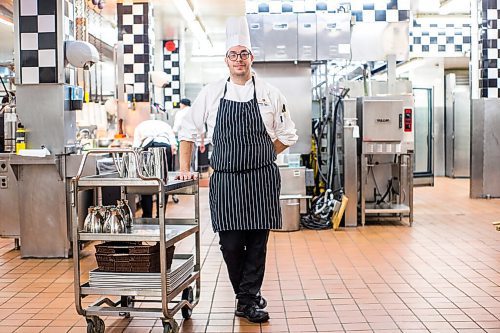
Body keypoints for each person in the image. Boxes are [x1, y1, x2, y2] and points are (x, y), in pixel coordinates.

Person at [177, 16, 298, 323]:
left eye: (244, 54)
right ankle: (248, 297)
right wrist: (183, 169)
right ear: (226, 60)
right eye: (234, 54)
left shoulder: (269, 93)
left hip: (261, 179)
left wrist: (264, 152)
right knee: (231, 244)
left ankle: (248, 301)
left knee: (257, 243)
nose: (239, 59)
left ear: (251, 58)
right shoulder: (212, 93)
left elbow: (288, 134)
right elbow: (188, 131)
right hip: (227, 181)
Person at [133, 119, 177, 217]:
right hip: (165, 148)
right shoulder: (165, 124)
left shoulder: (140, 125)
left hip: (147, 149)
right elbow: (174, 146)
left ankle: (147, 215)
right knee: (163, 181)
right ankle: (160, 214)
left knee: (146, 181)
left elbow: (135, 147)